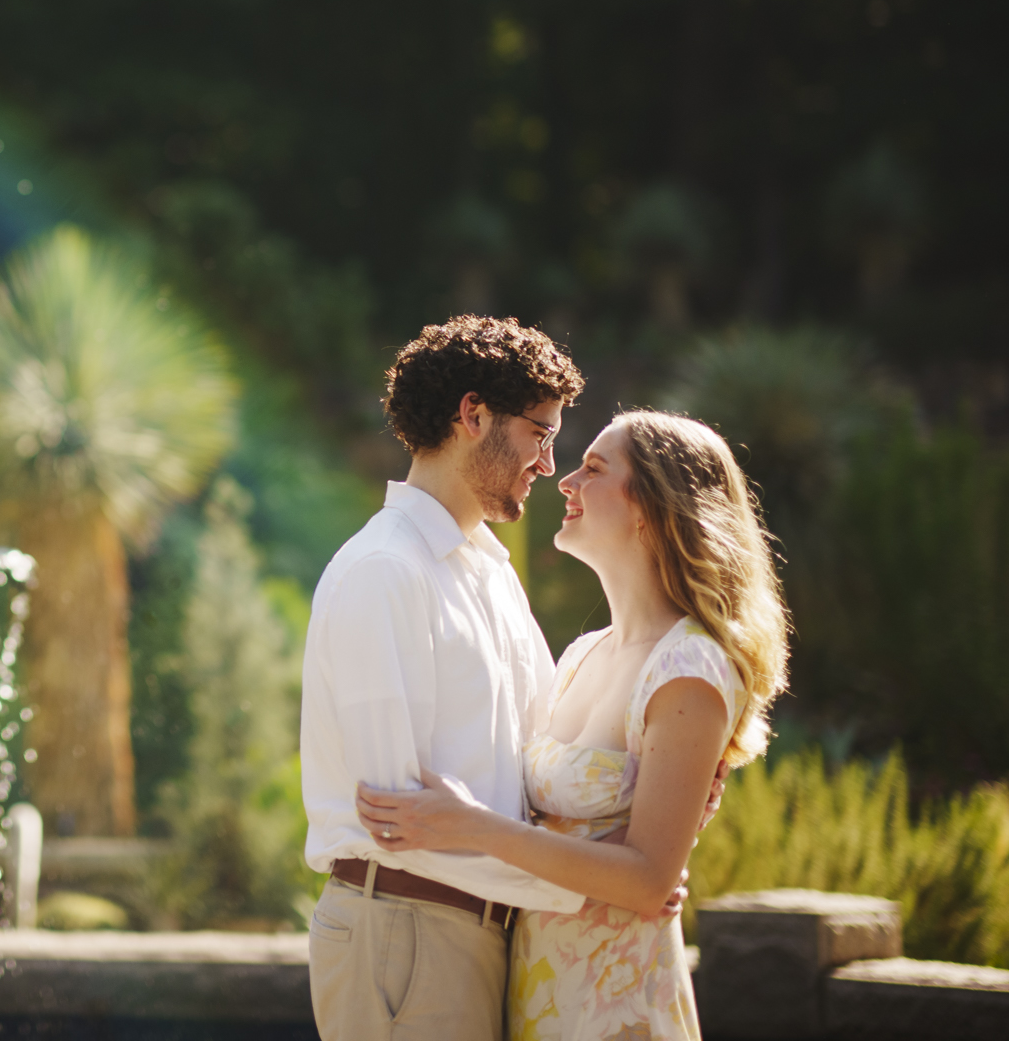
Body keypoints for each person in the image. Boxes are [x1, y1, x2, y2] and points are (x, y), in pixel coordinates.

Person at [357, 410, 789, 1041]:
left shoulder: (691, 668)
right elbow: (557, 835)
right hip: (538, 991)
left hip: (617, 1003)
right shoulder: (583, 654)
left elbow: (646, 881)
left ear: (650, 506)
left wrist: (465, 823)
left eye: (593, 468)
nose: (565, 481)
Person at [300, 316, 593, 1041]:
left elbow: (539, 751)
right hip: (404, 927)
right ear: (473, 414)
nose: (548, 464)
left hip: (484, 929)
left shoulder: (491, 572)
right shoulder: (384, 572)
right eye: (539, 434)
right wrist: (590, 885)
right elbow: (400, 822)